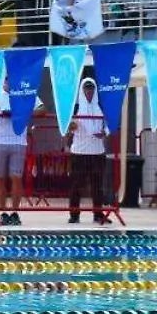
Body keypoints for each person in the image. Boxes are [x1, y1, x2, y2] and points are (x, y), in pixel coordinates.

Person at [66, 78, 110, 225]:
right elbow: (68, 127)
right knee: (76, 185)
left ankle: (98, 214)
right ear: (82, 90)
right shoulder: (75, 107)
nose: (89, 92)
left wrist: (104, 132)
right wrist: (71, 126)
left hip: (97, 152)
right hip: (79, 152)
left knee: (98, 185)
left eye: (91, 89)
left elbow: (109, 124)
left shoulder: (101, 107)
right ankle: (74, 214)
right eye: (86, 89)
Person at [0, 102, 31, 225]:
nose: (8, 81)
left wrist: (20, 113)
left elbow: (42, 109)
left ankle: (14, 212)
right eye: (6, 80)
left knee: (16, 177)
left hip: (18, 141)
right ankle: (3, 212)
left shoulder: (23, 93)